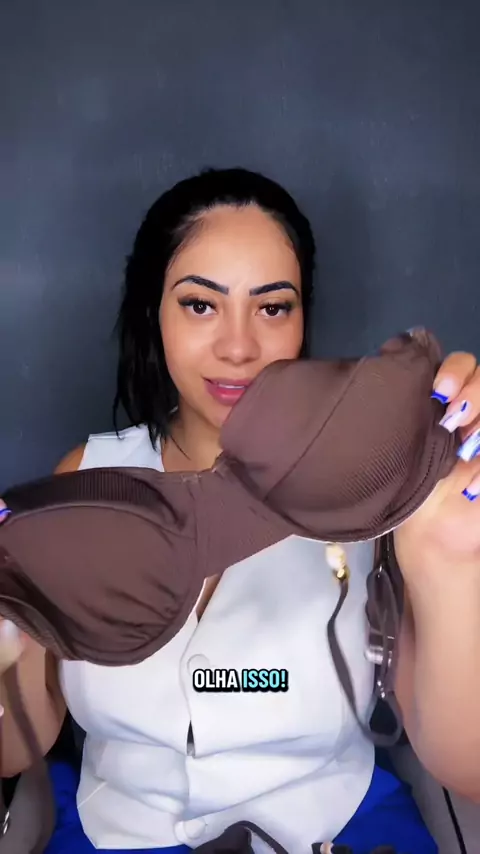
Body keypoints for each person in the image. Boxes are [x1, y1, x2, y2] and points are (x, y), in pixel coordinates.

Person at [1, 167, 480, 854]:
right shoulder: (87, 477)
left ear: (303, 318)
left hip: (335, 831)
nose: (238, 346)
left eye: (272, 307)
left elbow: (466, 766)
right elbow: (18, 742)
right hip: (116, 833)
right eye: (200, 305)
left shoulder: (370, 482)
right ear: (154, 313)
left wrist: (453, 557)